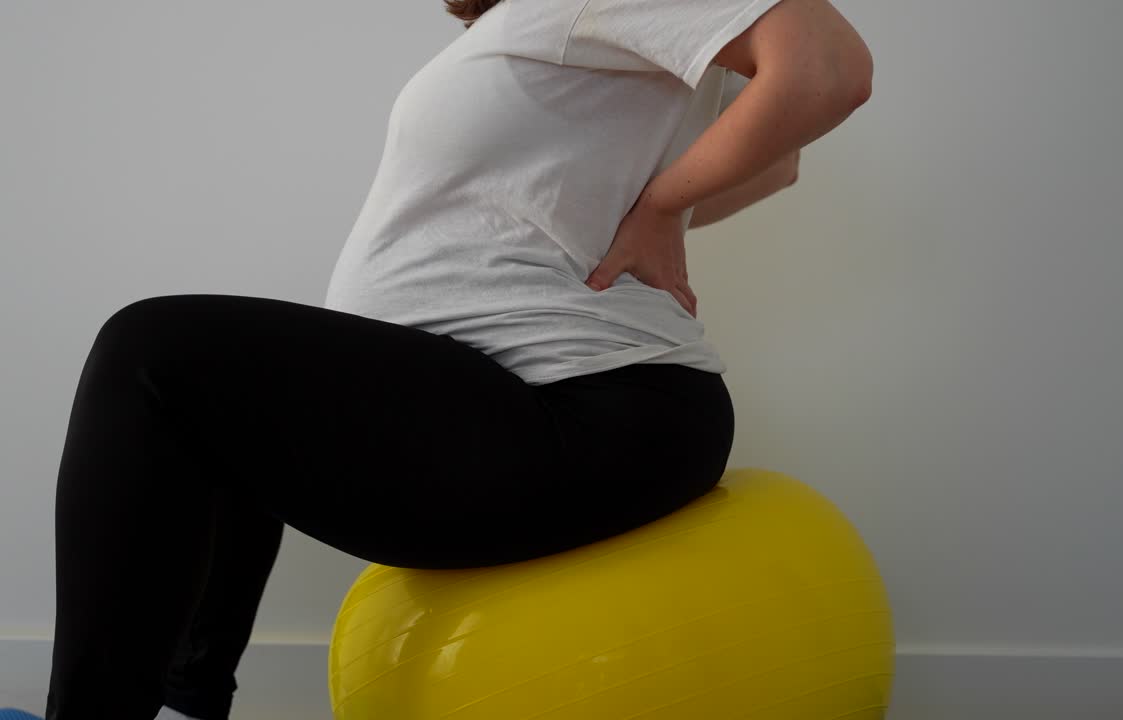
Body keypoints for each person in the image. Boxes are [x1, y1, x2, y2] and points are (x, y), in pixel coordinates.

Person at [42, 0, 873, 717]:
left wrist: (660, 206)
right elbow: (777, 163)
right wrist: (628, 205)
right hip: (525, 403)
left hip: (590, 409)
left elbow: (826, 69)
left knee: (149, 352)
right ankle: (184, 706)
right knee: (222, 394)